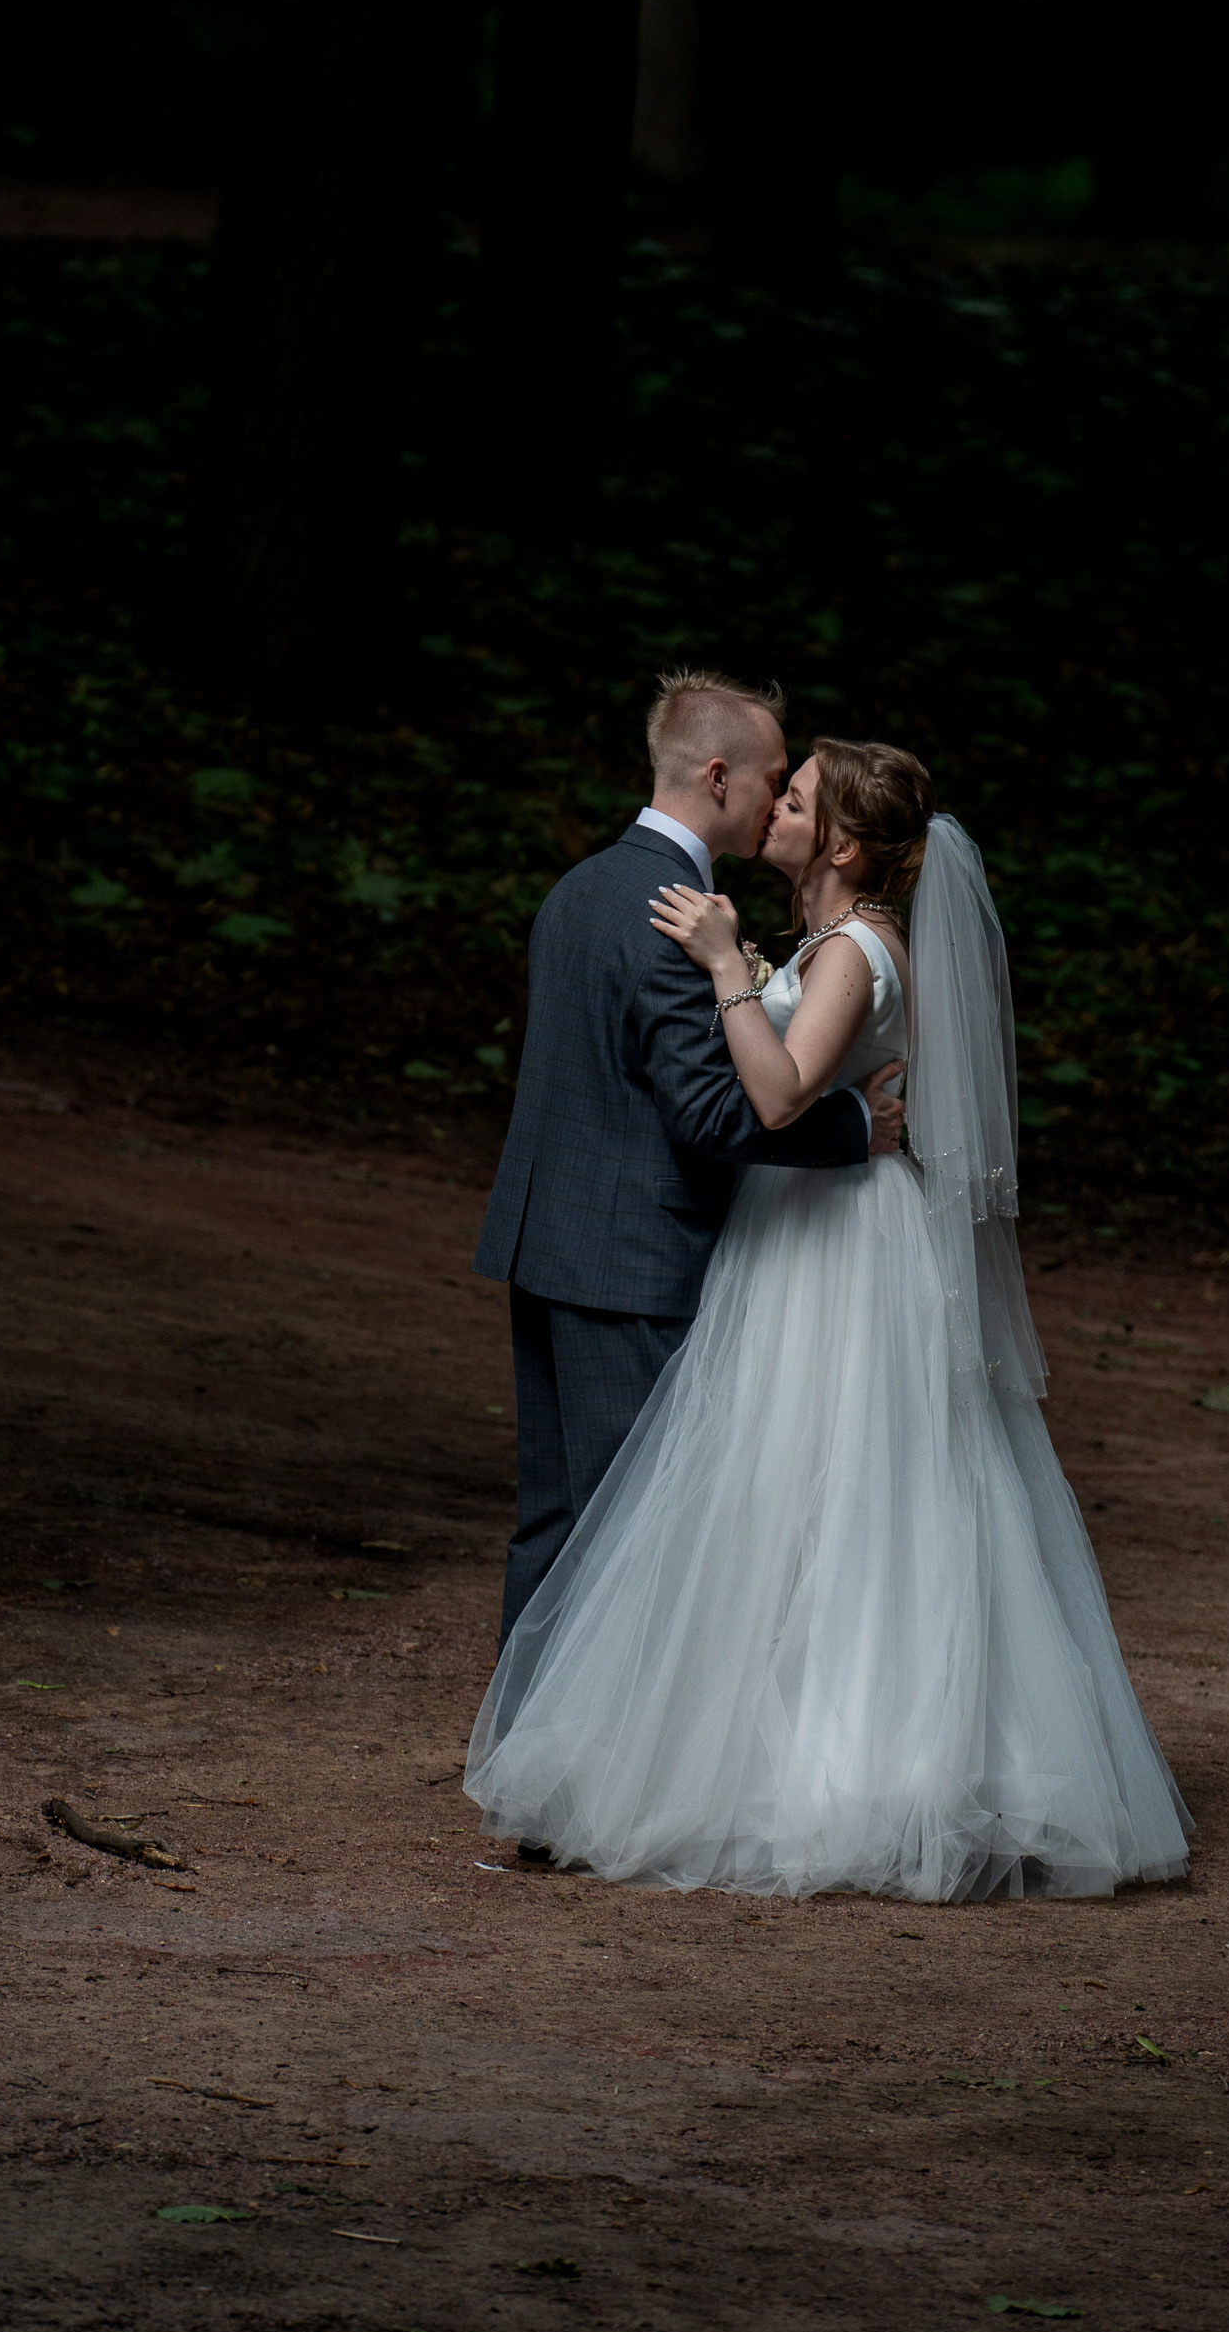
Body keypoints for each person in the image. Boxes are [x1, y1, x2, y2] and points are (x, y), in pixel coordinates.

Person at [465, 735, 1192, 1903]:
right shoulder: (822, 942)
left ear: (843, 844)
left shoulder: (854, 946)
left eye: (795, 799)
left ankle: (872, 1767)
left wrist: (724, 969)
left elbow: (777, 1090)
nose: (774, 808)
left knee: (853, 1492)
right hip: (794, 1231)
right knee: (774, 1497)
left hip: (842, 1247)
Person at [474, 668, 906, 1655]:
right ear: (717, 777)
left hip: (545, 1241)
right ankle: (598, 1785)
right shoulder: (678, 914)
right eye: (770, 780)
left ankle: (519, 1762)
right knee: (633, 1528)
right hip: (631, 1258)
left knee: (550, 1519)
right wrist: (853, 1128)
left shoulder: (583, 885)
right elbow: (712, 1111)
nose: (772, 801)